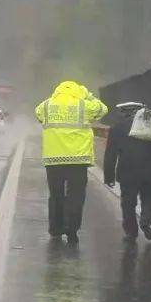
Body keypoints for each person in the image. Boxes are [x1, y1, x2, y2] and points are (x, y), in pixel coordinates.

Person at [35, 81, 108, 244]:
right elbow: (103, 109)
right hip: (78, 160)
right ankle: (72, 230)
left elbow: (37, 114)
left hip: (53, 160)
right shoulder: (83, 105)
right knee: (76, 196)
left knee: (56, 195)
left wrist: (54, 99)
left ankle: (55, 229)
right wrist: (88, 95)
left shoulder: (46, 105)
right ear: (78, 92)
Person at [103, 102, 151, 241]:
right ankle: (145, 221)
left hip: (128, 171)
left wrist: (109, 176)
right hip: (150, 169)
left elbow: (110, 154)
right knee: (148, 198)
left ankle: (131, 232)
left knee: (128, 203)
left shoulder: (118, 128)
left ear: (125, 112)